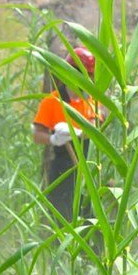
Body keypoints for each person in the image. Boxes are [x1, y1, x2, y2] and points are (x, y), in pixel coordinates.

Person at [31, 47, 103, 224]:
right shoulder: (52, 102)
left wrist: (78, 133)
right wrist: (53, 139)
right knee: (61, 218)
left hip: (87, 166)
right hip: (62, 168)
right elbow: (36, 134)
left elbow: (96, 127)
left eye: (90, 76)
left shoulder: (91, 100)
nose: (87, 80)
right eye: (82, 74)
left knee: (89, 218)